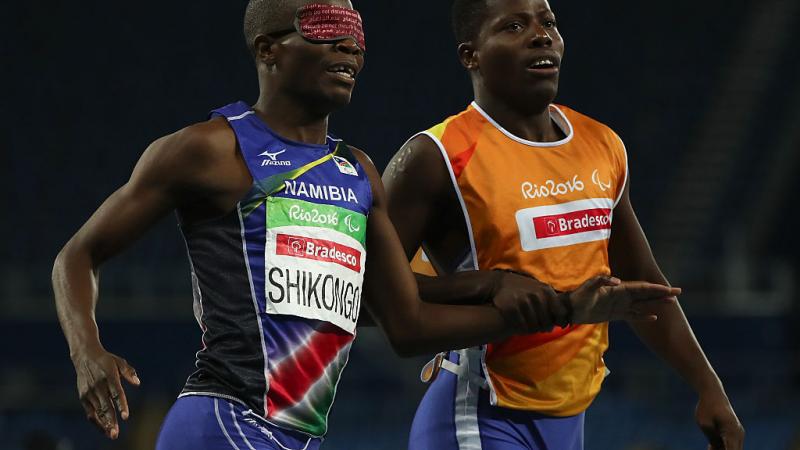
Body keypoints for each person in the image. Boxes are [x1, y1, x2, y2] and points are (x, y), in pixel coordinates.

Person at [51, 0, 679, 449]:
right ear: (269, 49)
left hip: (298, 434)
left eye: (355, 34)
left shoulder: (359, 174)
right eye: (326, 30)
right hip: (225, 419)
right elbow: (76, 256)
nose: (348, 46)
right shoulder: (210, 150)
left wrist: (505, 287)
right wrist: (87, 351)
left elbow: (404, 321)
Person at [382, 0, 745, 449]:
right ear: (469, 55)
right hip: (478, 415)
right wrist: (487, 285)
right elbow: (365, 295)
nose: (541, 35)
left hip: (571, 423)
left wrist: (708, 387)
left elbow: (644, 284)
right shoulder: (435, 156)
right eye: (514, 26)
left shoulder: (602, 144)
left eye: (548, 22)